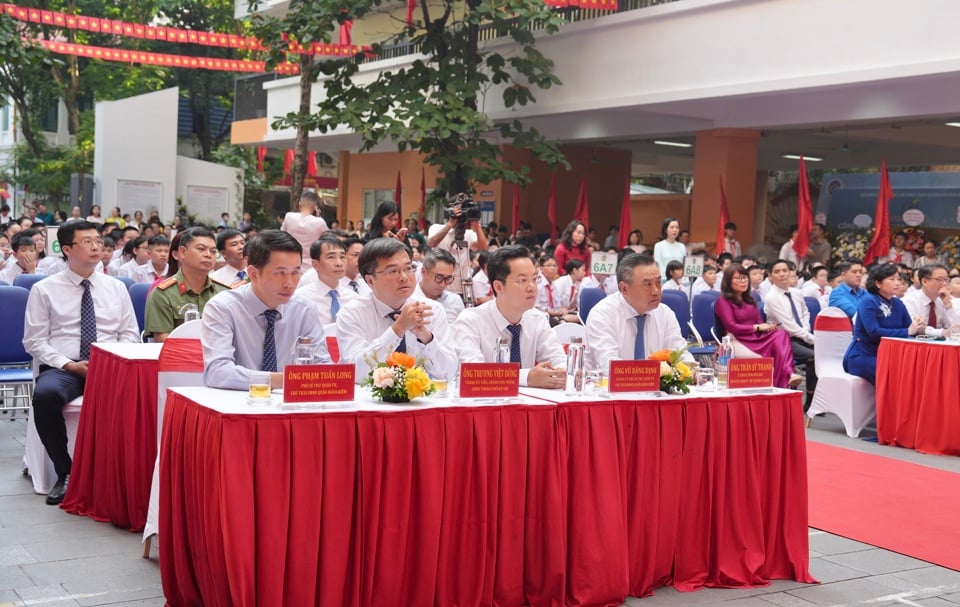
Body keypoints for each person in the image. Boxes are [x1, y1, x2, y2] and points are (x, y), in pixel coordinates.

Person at [23, 221, 140, 504]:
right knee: (46, 395)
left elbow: (130, 334)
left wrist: (111, 359)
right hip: (67, 367)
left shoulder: (117, 288)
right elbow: (34, 341)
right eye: (86, 241)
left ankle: (127, 474)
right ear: (66, 249)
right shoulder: (45, 289)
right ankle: (66, 472)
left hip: (112, 365)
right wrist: (68, 364)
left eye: (97, 241)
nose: (95, 246)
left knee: (142, 396)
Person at [202, 230, 331, 390]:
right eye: (280, 273)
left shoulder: (304, 309)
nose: (289, 283)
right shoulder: (223, 308)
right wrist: (286, 380)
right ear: (253, 274)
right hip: (238, 405)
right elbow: (217, 372)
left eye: (295, 273)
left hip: (291, 407)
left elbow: (322, 366)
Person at [337, 238, 458, 382]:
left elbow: (448, 374)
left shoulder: (432, 310)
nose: (404, 277)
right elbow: (356, 373)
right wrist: (398, 329)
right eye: (393, 271)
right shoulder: (352, 314)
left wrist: (426, 337)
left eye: (408, 268)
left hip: (421, 400)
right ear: (370, 281)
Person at [453, 245, 567, 388]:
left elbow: (559, 360)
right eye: (522, 281)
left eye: (534, 279)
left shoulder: (537, 318)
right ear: (499, 287)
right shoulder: (470, 320)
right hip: (484, 405)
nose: (532, 287)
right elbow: (472, 373)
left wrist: (562, 372)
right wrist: (526, 378)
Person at [585, 253, 691, 372]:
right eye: (647, 285)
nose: (656, 291)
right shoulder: (603, 314)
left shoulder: (665, 313)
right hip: (605, 388)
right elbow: (609, 365)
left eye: (658, 282)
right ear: (624, 289)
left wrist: (691, 370)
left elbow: (680, 353)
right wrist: (650, 373)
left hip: (655, 388)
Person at [715, 264, 799, 388]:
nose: (743, 281)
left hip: (755, 337)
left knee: (781, 334)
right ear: (728, 281)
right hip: (737, 339)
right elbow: (732, 326)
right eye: (738, 278)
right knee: (774, 350)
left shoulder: (750, 299)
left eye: (744, 277)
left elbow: (759, 322)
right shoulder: (723, 301)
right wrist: (758, 328)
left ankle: (788, 375)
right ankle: (783, 380)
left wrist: (768, 327)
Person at [844, 264, 924, 384]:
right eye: (892, 279)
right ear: (878, 283)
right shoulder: (868, 301)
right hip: (865, 355)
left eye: (898, 279)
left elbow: (909, 329)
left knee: (917, 370)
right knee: (894, 373)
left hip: (891, 355)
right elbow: (874, 332)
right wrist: (908, 331)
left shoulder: (898, 303)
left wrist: (918, 328)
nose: (897, 283)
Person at [145, 227, 226, 342]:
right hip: (179, 357)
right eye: (201, 249)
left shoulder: (224, 292)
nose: (208, 255)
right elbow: (163, 340)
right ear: (182, 252)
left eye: (213, 251)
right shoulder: (163, 293)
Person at [762, 259, 817, 406]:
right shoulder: (771, 297)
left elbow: (805, 313)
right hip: (783, 340)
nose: (782, 274)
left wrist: (806, 330)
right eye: (777, 272)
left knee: (824, 353)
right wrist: (812, 339)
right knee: (814, 357)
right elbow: (788, 326)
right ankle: (810, 401)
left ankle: (818, 397)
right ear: (770, 276)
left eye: (785, 271)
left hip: (801, 334)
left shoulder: (796, 293)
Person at [427, 197, 488, 297]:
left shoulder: (468, 233)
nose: (462, 215)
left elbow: (483, 246)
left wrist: (477, 226)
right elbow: (431, 243)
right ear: (449, 210)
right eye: (460, 210)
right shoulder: (436, 228)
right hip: (439, 287)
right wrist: (450, 224)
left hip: (461, 288)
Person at [296, 234, 357, 325]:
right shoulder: (301, 299)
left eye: (342, 257)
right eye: (331, 257)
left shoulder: (353, 299)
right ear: (315, 264)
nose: (339, 263)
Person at [901, 264, 960, 337]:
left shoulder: (942, 300)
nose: (944, 284)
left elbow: (956, 328)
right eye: (939, 279)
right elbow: (916, 328)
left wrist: (947, 304)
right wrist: (942, 332)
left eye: (946, 280)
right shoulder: (909, 301)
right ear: (925, 281)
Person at [412, 248, 466, 322]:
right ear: (423, 271)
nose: (443, 285)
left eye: (448, 278)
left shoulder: (455, 300)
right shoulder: (409, 300)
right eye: (439, 278)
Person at [280, 190, 328, 271]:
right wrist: (318, 216)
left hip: (289, 263)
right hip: (310, 268)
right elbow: (327, 239)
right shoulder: (320, 222)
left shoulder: (289, 217)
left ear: (300, 203)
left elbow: (281, 236)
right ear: (315, 206)